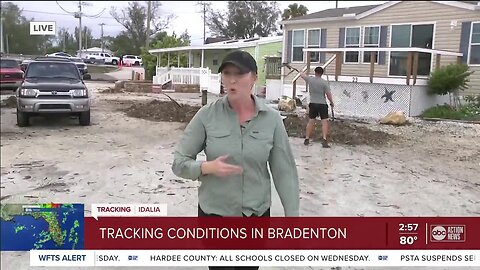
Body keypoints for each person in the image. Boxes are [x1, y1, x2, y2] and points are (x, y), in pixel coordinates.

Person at [172, 50, 299, 269]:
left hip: (255, 217)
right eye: (227, 73)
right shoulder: (206, 116)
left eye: (239, 74)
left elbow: (284, 171)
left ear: (254, 77)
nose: (231, 80)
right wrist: (206, 167)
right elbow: (179, 163)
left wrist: (292, 218)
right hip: (215, 216)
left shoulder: (272, 120)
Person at [299, 66, 334, 148]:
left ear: (315, 72)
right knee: (324, 122)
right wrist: (331, 102)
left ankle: (307, 139)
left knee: (311, 121)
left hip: (313, 103)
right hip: (322, 104)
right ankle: (324, 140)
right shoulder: (324, 83)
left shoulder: (310, 80)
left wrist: (300, 71)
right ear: (322, 73)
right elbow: (328, 94)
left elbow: (302, 75)